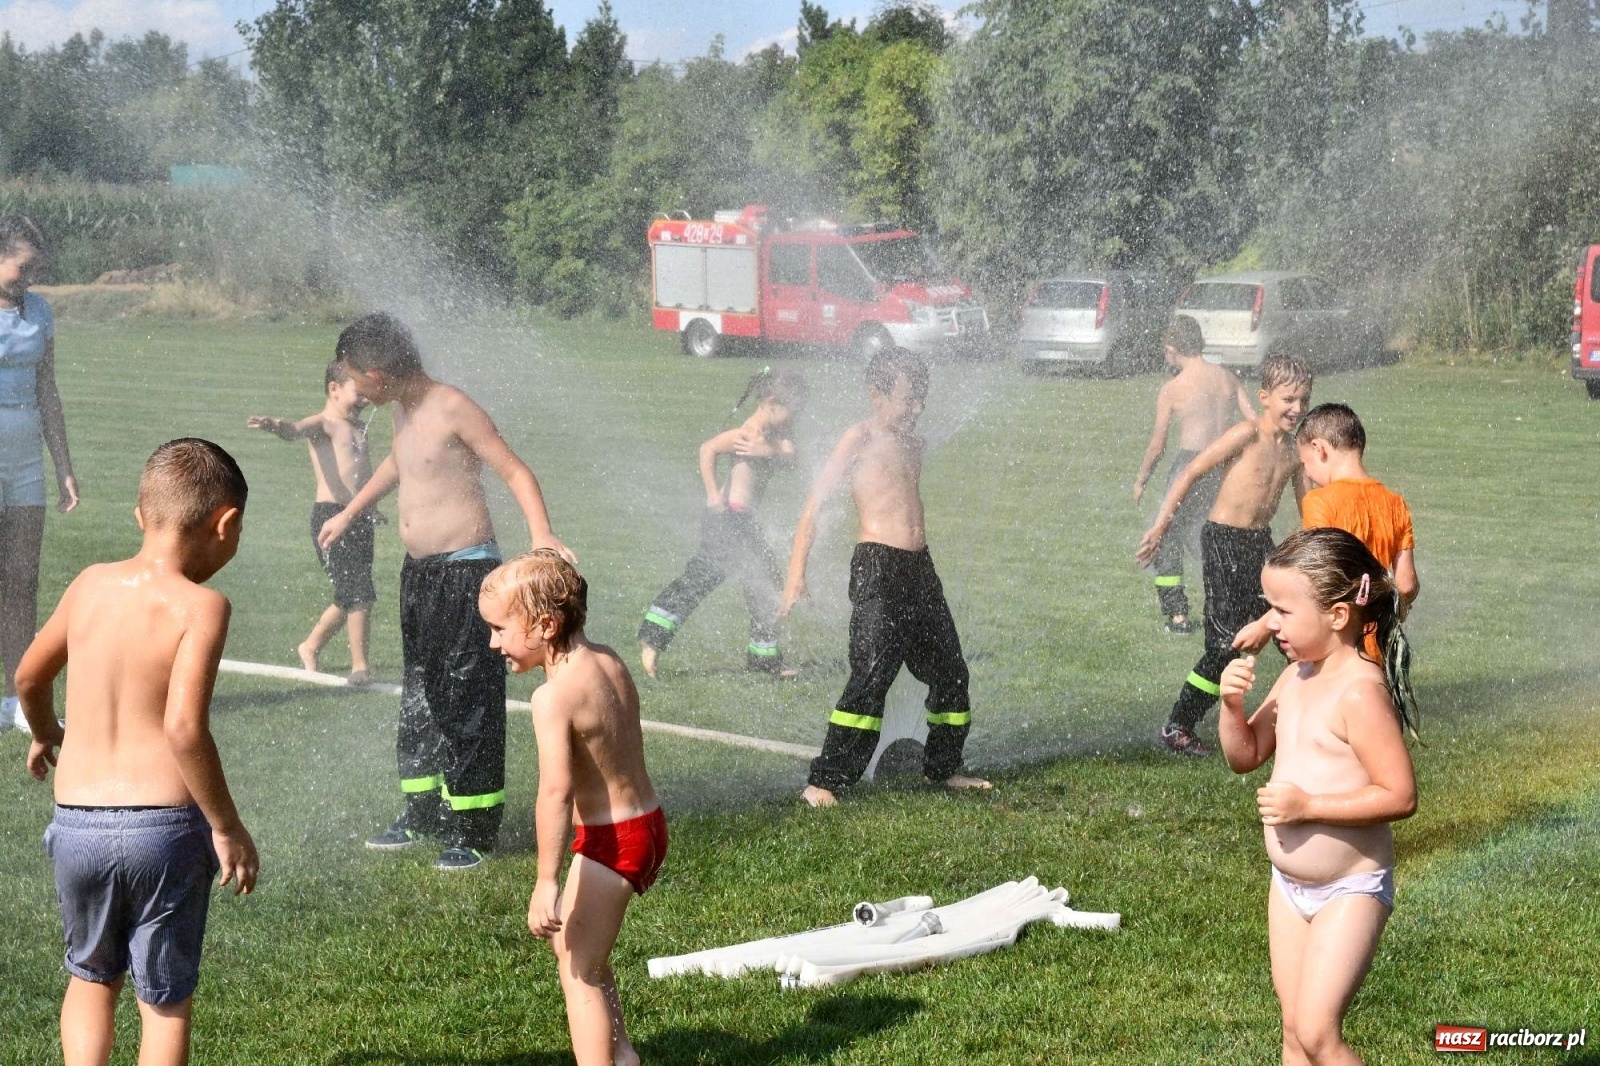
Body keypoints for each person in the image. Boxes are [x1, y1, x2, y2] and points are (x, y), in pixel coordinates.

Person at [15, 438, 259, 1066]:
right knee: (164, 999)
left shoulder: (89, 585)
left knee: (91, 978)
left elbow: (29, 677)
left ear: (140, 515)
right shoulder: (202, 606)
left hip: (78, 825)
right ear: (225, 523)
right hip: (164, 830)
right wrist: (226, 826)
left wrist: (45, 731)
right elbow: (184, 729)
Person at [316, 312, 572, 871]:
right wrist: (350, 512)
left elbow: (514, 470)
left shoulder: (452, 406)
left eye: (355, 378)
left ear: (378, 374)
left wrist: (541, 534)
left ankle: (473, 826)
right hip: (419, 575)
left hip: (464, 574)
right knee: (421, 693)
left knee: (466, 696)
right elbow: (399, 464)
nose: (355, 390)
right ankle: (423, 811)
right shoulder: (401, 411)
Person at [1217, 527, 1417, 1066]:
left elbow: (1400, 795)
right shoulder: (1294, 679)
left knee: (1318, 1032)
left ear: (1337, 615)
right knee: (1293, 1033)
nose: (1270, 623)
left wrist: (1308, 807)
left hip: (1349, 888)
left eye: (1282, 611)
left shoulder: (1359, 691)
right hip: (1289, 888)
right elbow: (1245, 754)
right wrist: (1232, 708)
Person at [779, 347, 991, 807]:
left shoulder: (915, 443)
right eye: (908, 398)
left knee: (951, 672)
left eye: (922, 398)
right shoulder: (859, 437)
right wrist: (796, 572)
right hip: (878, 566)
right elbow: (815, 505)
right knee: (873, 673)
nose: (917, 407)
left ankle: (945, 768)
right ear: (876, 395)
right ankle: (824, 781)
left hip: (920, 568)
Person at [480, 550, 663, 1066]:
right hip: (645, 823)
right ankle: (621, 1054)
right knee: (579, 949)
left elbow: (555, 793)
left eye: (500, 629)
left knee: (579, 971)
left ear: (545, 625)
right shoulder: (608, 660)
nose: (493, 643)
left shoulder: (553, 697)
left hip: (613, 842)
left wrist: (546, 880)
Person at [1136, 353, 1313, 756]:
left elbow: (1309, 511)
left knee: (1294, 627)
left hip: (1260, 544)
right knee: (1224, 645)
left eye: (1303, 400)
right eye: (1288, 399)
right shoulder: (1246, 434)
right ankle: (1178, 726)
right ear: (1264, 397)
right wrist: (1161, 526)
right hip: (1223, 541)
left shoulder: (1294, 453)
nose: (1297, 408)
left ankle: (1311, 715)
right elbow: (1191, 471)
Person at [639, 367, 805, 680]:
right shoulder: (746, 434)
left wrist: (766, 451)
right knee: (706, 575)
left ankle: (763, 657)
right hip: (726, 518)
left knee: (765, 581)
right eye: (792, 409)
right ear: (771, 402)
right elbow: (708, 448)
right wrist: (713, 494)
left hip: (744, 521)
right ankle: (653, 636)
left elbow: (791, 459)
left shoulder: (775, 436)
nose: (795, 417)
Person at [1234, 403, 1419, 656]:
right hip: (1380, 647)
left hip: (1334, 643)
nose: (1307, 474)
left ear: (1319, 449)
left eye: (1305, 463)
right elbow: (1406, 585)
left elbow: (1309, 578)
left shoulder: (1320, 502)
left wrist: (1264, 625)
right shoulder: (1395, 503)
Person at [248, 359, 378, 685]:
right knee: (360, 593)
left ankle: (310, 646)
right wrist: (275, 424)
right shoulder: (324, 424)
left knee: (350, 592)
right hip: (330, 517)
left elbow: (362, 475)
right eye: (359, 393)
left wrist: (371, 507)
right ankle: (359, 667)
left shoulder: (360, 427)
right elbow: (295, 430)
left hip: (359, 517)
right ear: (334, 389)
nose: (365, 400)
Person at [0, 214, 78, 734]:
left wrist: (63, 466)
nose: (29, 278)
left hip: (25, 464)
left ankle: (15, 699)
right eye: (22, 267)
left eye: (36, 269)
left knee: (22, 582)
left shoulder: (40, 312)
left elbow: (48, 391)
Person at [1132, 315, 1255, 633]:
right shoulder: (1228, 378)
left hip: (1189, 466)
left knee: (1165, 536)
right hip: (1223, 466)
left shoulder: (1173, 388)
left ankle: (1177, 616)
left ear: (1172, 350)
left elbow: (1158, 444)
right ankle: (1234, 604)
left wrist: (1142, 479)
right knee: (1208, 535)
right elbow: (1255, 424)